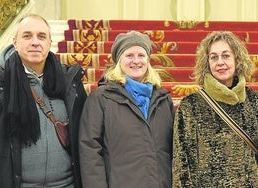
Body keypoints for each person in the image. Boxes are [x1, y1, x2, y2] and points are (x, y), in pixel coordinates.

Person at [0, 14, 87, 188]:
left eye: (41, 36)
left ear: (49, 43)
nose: (35, 42)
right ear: (15, 42)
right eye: (27, 36)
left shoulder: (69, 83)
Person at [78, 30, 175, 188]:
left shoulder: (163, 99)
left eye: (141, 55)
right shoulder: (101, 98)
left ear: (148, 60)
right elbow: (90, 150)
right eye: (129, 55)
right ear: (119, 61)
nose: (136, 61)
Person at [172, 31, 258, 187]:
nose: (220, 62)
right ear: (207, 63)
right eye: (214, 57)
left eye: (226, 56)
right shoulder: (190, 106)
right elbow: (182, 163)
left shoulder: (254, 101)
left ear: (237, 59)